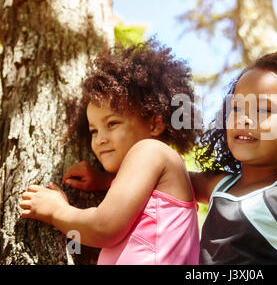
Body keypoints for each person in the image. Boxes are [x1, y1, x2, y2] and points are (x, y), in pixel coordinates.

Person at [61, 50, 277, 265]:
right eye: (237, 108)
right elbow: (151, 183)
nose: (244, 119)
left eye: (262, 110)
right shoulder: (219, 184)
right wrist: (104, 179)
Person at [20, 39, 201, 265]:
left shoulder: (150, 150)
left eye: (112, 124)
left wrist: (56, 211)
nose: (100, 139)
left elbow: (103, 227)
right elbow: (148, 200)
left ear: (154, 124)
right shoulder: (159, 162)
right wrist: (107, 181)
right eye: (93, 131)